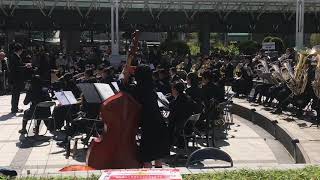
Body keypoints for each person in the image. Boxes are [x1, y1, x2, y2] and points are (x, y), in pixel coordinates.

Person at [123, 64, 170, 168]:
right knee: (158, 156)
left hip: (148, 124)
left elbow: (124, 87)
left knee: (146, 157)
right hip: (159, 121)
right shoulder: (151, 87)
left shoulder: (138, 89)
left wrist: (126, 74)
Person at [168, 81, 198, 148]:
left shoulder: (175, 103)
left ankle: (168, 145)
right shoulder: (188, 98)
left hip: (180, 129)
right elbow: (196, 108)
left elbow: (171, 118)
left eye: (172, 89)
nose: (171, 91)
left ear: (175, 90)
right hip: (189, 127)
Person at [8, 43, 30, 114]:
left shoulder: (16, 56)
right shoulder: (13, 57)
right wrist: (25, 66)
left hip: (17, 78)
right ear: (19, 50)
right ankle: (14, 109)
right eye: (21, 50)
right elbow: (16, 68)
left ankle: (15, 108)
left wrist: (25, 64)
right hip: (15, 79)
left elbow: (19, 65)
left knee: (16, 94)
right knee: (15, 94)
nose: (22, 51)